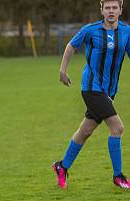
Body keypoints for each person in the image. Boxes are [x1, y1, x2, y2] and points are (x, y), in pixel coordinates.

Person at [54, 0, 130, 189]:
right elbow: (71, 46)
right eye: (107, 8)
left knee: (85, 131)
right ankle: (118, 176)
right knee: (117, 128)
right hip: (91, 88)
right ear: (102, 10)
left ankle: (62, 166)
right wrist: (63, 70)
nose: (111, 11)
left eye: (114, 8)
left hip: (109, 91)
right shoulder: (91, 30)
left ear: (121, 10)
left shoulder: (126, 32)